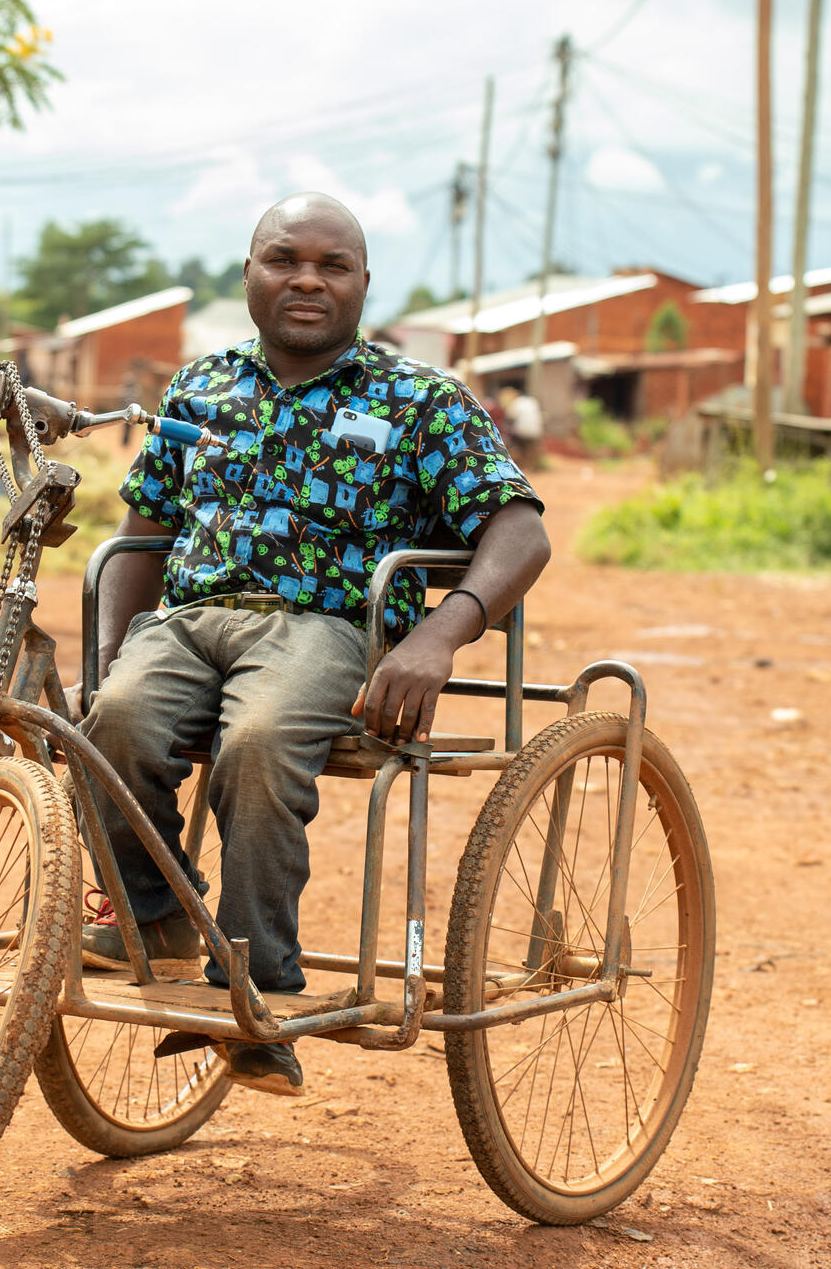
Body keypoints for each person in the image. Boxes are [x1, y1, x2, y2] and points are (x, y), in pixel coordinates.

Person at [77, 193, 550, 1096]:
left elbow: (520, 532)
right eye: (285, 259)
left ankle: (257, 985)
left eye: (333, 266)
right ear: (248, 273)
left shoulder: (421, 400)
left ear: (364, 285)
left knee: (255, 746)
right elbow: (144, 530)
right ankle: (159, 915)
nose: (307, 279)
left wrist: (441, 637)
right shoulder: (201, 385)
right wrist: (109, 656)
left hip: (328, 627)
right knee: (114, 719)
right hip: (189, 620)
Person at [499, 382, 544, 472]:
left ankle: (521, 466)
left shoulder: (516, 403)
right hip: (536, 430)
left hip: (522, 431)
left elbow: (510, 416)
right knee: (532, 449)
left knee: (520, 447)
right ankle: (533, 467)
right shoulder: (532, 401)